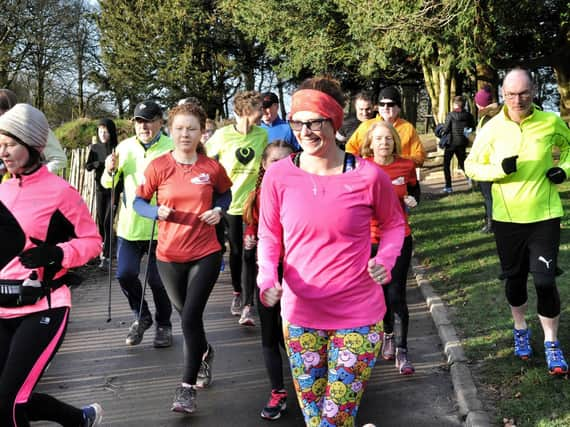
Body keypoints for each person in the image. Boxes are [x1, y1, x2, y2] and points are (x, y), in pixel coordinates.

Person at [257, 76, 406, 426]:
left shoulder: (368, 176)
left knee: (333, 419)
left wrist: (384, 260)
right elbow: (268, 236)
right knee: (317, 420)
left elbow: (395, 225)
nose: (305, 131)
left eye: (315, 122)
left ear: (334, 121)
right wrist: (267, 278)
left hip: (358, 315)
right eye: (298, 122)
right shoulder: (278, 176)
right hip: (300, 317)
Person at [0, 104, 103, 426]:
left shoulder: (61, 192)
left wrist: (57, 254)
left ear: (32, 146)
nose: (2, 150)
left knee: (10, 403)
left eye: (9, 143)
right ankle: (77, 419)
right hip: (2, 306)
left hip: (43, 307)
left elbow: (93, 242)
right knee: (9, 397)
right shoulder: (2, 188)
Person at [465, 68, 570, 376]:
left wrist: (564, 170)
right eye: (511, 94)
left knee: (545, 280)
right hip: (508, 218)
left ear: (534, 91)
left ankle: (552, 342)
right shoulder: (492, 127)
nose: (517, 99)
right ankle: (520, 328)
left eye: (523, 93)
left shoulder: (550, 122)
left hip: (544, 215)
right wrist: (498, 169)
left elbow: (569, 151)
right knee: (515, 279)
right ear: (503, 94)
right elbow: (472, 166)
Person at [134, 102, 232, 414]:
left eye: (191, 128)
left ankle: (186, 388)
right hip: (168, 256)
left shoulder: (211, 168)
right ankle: (205, 352)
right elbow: (138, 202)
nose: (185, 134)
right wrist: (154, 210)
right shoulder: (158, 166)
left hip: (205, 253)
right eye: (179, 128)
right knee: (188, 319)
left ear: (202, 131)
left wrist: (218, 210)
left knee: (190, 317)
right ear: (170, 130)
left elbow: (225, 194)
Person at [101, 100, 173, 348]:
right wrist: (109, 170)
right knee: (125, 274)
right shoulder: (124, 147)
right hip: (130, 226)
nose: (144, 126)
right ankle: (141, 317)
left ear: (160, 122)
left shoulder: (171, 147)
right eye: (139, 121)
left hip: (162, 226)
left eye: (149, 120)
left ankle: (164, 324)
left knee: (157, 281)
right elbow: (108, 185)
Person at [360, 121, 420, 375]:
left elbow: (416, 191)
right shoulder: (361, 168)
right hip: (369, 240)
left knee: (396, 294)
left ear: (395, 140)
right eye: (379, 138)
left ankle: (403, 350)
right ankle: (387, 334)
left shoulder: (406, 165)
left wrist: (413, 200)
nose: (384, 143)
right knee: (380, 294)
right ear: (370, 143)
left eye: (388, 138)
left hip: (399, 238)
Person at [242, 140, 294, 419]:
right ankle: (277, 392)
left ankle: (312, 377)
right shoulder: (258, 193)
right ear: (264, 165)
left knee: (296, 331)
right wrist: (249, 236)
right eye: (275, 161)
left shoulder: (303, 189)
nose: (281, 165)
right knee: (270, 333)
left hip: (300, 269)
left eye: (287, 159)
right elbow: (253, 221)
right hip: (270, 269)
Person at [206, 91, 268, 321]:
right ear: (245, 111)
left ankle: (248, 304)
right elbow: (204, 157)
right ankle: (237, 292)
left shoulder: (262, 135)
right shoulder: (222, 136)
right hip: (230, 204)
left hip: (252, 204)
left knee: (249, 252)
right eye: (258, 109)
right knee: (235, 253)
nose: (262, 113)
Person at [345, 86, 426, 167]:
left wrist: (395, 160)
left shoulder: (408, 128)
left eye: (390, 104)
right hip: (373, 175)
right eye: (382, 104)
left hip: (399, 175)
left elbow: (419, 158)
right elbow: (350, 150)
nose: (385, 107)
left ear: (398, 108)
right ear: (378, 107)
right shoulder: (366, 126)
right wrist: (360, 166)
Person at [0, 88, 67, 175]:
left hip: (36, 186)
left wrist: (33, 177)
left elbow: (59, 160)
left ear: (9, 110)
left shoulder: (34, 129)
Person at [85, 118, 120, 269]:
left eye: (105, 131)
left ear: (111, 132)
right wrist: (98, 164)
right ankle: (104, 252)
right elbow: (87, 166)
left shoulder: (117, 148)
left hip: (114, 188)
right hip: (100, 188)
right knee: (101, 221)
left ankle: (107, 256)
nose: (103, 134)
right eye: (100, 131)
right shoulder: (95, 148)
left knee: (108, 220)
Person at [473, 86, 502, 233]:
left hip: (486, 163)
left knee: (488, 196)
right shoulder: (500, 114)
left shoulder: (486, 118)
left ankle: (491, 224)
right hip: (497, 161)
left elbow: (482, 142)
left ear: (480, 103)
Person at [440, 96, 475, 193]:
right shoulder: (468, 115)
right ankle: (470, 180)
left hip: (451, 143)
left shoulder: (450, 115)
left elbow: (446, 129)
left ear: (455, 104)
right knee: (463, 163)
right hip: (462, 142)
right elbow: (472, 127)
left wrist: (441, 129)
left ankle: (448, 186)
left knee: (446, 165)